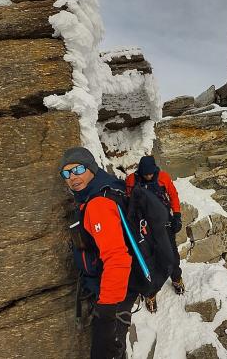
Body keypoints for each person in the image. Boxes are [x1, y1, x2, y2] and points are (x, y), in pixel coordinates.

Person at [60, 147, 136, 359]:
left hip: (114, 296)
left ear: (91, 168)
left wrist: (106, 315)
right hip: (117, 289)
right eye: (66, 174)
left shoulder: (98, 204)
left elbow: (117, 258)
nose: (72, 177)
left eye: (78, 169)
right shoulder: (103, 190)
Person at [125, 156, 184, 297]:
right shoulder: (132, 180)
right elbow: (129, 200)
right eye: (145, 174)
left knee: (172, 253)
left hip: (163, 221)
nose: (148, 176)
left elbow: (173, 195)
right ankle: (151, 290)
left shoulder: (163, 177)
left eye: (150, 173)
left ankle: (176, 278)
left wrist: (177, 216)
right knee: (148, 256)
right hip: (144, 224)